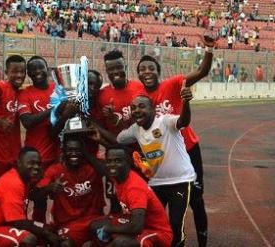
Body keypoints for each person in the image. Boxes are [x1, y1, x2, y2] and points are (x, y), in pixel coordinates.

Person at [136, 34, 216, 247]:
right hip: (162, 159)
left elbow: (201, 72)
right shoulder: (139, 97)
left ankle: (202, 243)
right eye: (142, 69)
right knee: (158, 206)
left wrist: (208, 48)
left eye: (151, 68)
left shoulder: (172, 84)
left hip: (188, 150)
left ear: (158, 72)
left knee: (197, 201)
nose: (147, 72)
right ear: (138, 75)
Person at [113, 91, 196, 247]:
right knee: (153, 222)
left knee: (175, 223)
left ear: (153, 109)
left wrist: (186, 101)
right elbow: (118, 139)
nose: (136, 110)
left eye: (141, 106)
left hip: (180, 181)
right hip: (156, 183)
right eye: (133, 108)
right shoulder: (135, 129)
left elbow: (183, 121)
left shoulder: (165, 122)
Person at [0, 146, 65, 247]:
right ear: (19, 163)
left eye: (38, 164)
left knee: (47, 229)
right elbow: (19, 223)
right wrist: (47, 234)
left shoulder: (25, 178)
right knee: (28, 239)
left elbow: (34, 196)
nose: (36, 167)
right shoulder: (13, 183)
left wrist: (48, 187)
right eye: (31, 163)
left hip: (6, 225)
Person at [87, 145, 173, 247]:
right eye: (109, 161)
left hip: (155, 232)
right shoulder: (118, 175)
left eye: (117, 161)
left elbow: (137, 227)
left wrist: (108, 229)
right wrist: (84, 151)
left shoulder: (135, 188)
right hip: (132, 222)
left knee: (121, 243)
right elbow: (101, 167)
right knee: (95, 225)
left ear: (128, 163)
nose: (112, 165)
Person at [34, 134, 105, 246]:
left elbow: (107, 171)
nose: (73, 153)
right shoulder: (55, 170)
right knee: (65, 244)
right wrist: (49, 188)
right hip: (68, 224)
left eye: (78, 150)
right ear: (63, 151)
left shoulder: (93, 168)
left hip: (94, 221)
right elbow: (35, 195)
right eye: (70, 150)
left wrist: (86, 154)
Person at [98, 49, 144, 213]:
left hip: (141, 155)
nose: (115, 71)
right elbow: (99, 127)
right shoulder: (102, 96)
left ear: (125, 65)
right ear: (107, 71)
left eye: (119, 67)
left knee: (140, 198)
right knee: (115, 201)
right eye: (111, 69)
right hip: (115, 157)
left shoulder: (139, 88)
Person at [18, 56, 59, 222]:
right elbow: (27, 121)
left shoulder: (59, 89)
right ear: (28, 73)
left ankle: (58, 233)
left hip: (57, 157)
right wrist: (53, 110)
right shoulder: (25, 93)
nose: (37, 72)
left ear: (47, 69)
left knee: (60, 198)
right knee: (37, 200)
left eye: (40, 67)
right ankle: (36, 236)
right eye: (33, 69)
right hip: (36, 159)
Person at [0, 55, 26, 178]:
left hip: (14, 155)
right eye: (14, 71)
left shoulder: (21, 93)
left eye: (22, 72)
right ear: (6, 72)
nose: (19, 75)